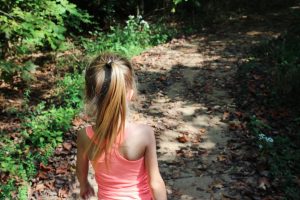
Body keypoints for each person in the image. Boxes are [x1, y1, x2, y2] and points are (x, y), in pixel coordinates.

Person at [76, 53, 167, 200]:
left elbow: (81, 172)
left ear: (89, 94)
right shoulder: (144, 134)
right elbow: (155, 183)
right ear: (130, 93)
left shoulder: (84, 136)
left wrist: (84, 185)